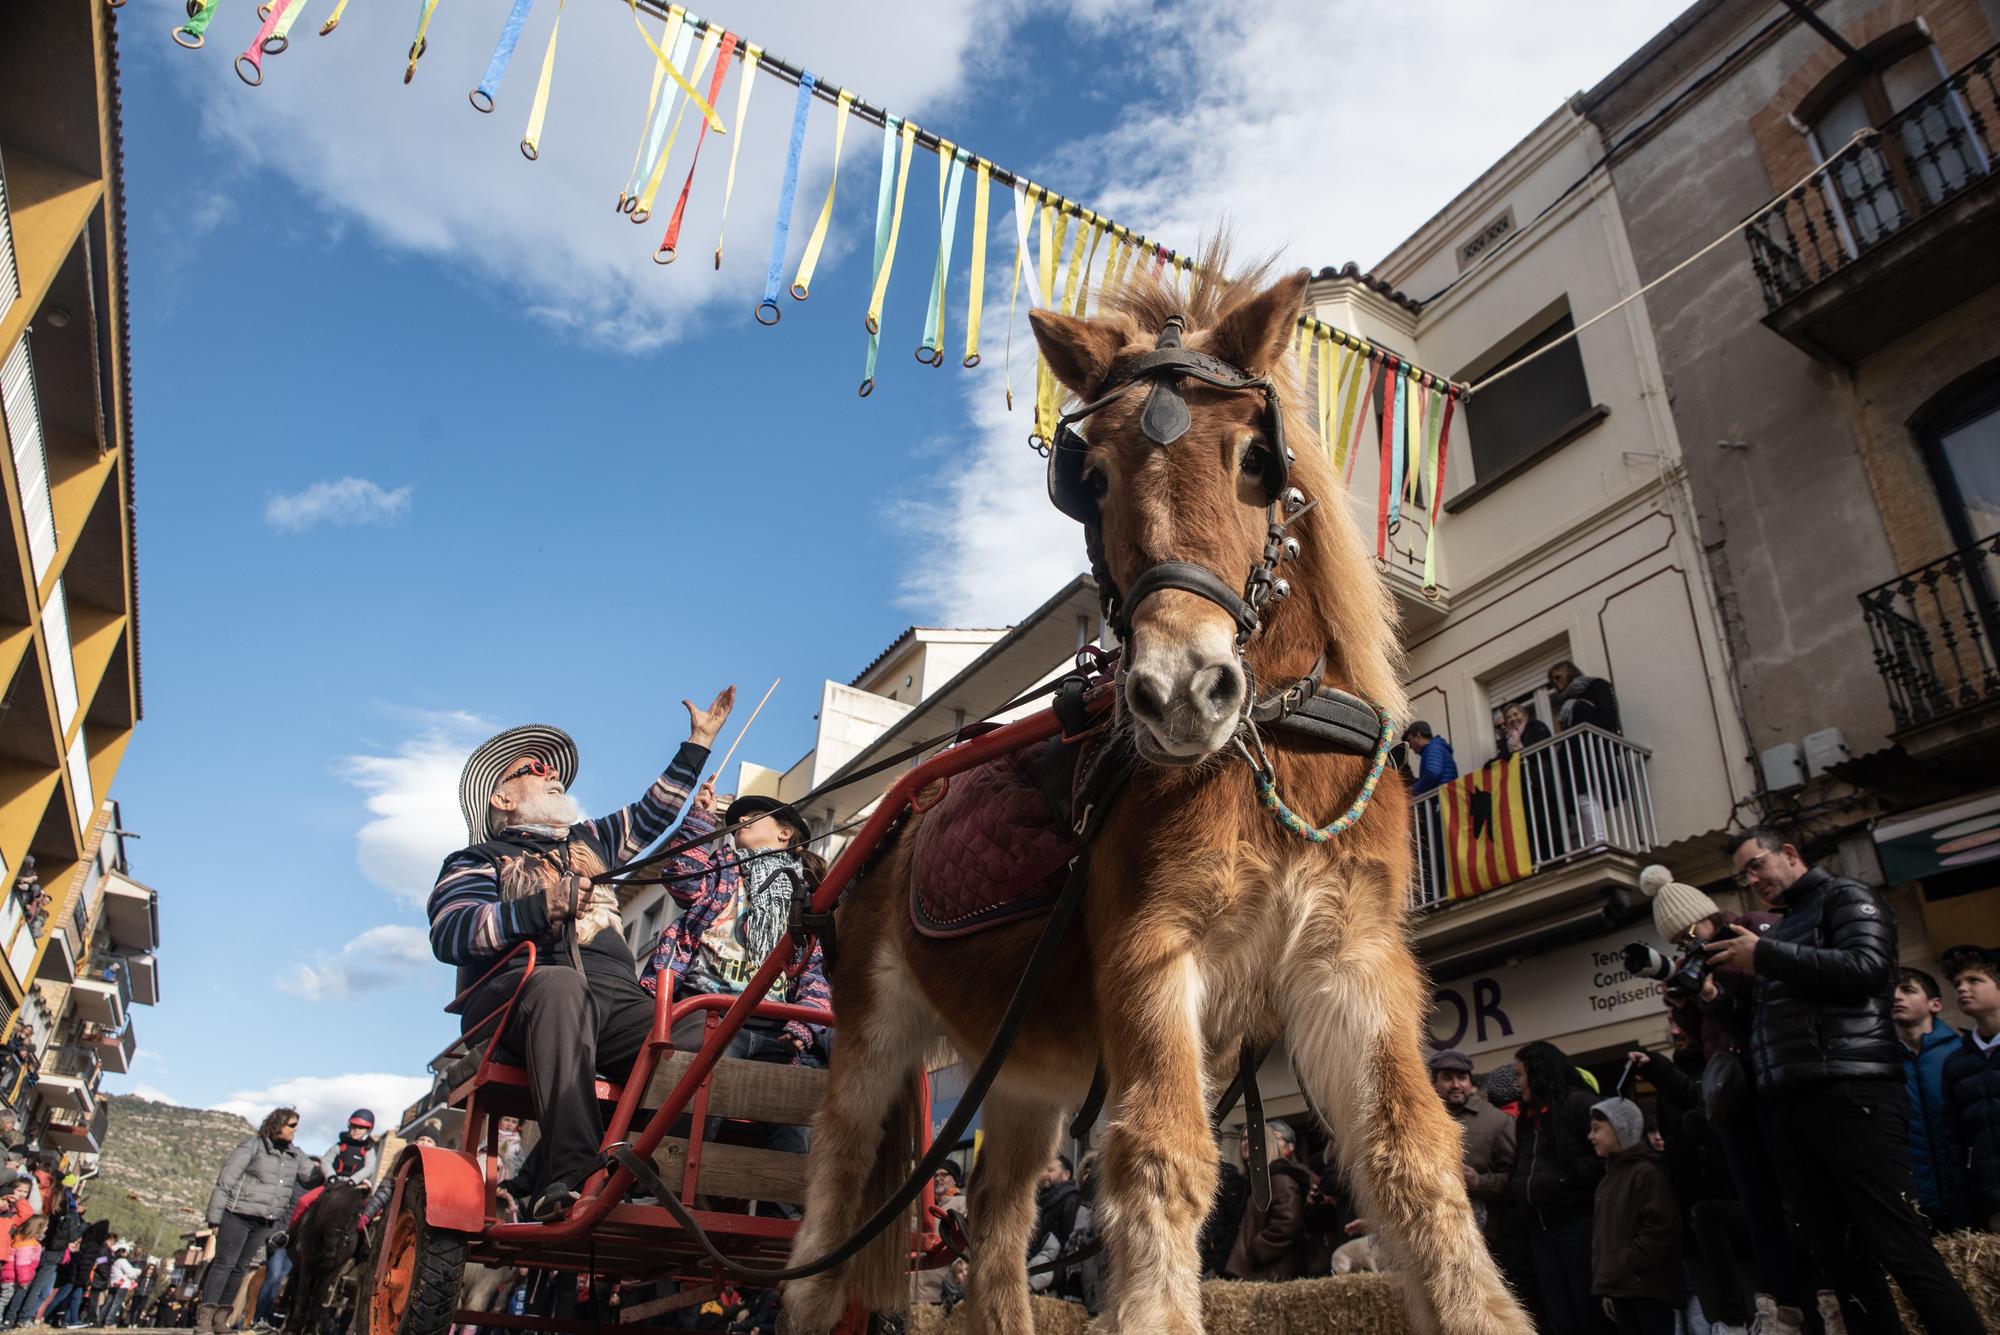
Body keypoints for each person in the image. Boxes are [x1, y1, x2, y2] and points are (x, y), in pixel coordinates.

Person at [428, 692, 732, 1221]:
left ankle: (655, 1171)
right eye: (536, 769)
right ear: (502, 797)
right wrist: (534, 908)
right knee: (560, 986)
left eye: (558, 773)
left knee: (701, 1030)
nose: (554, 776)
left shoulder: (588, 842)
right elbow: (452, 932)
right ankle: (571, 1174)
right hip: (521, 997)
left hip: (613, 995)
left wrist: (699, 741)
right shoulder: (476, 859)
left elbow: (653, 812)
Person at [1715, 828, 1981, 1334]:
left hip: (1852, 1091)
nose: (1751, 881)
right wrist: (1712, 998)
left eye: (1756, 865)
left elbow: (1867, 969)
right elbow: (1777, 1025)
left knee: (1901, 1248)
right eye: (1742, 876)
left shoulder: (1847, 897)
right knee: (1841, 1263)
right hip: (1795, 1103)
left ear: (1789, 854)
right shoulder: (1784, 927)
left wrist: (1765, 957)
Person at [643, 782, 832, 1069]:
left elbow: (813, 973)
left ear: (785, 833)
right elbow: (682, 881)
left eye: (754, 815)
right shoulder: (720, 875)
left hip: (774, 1029)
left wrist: (804, 1024)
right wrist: (700, 819)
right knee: (705, 1080)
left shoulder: (804, 899)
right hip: (707, 1015)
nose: (740, 821)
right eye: (736, 821)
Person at [1504, 1040, 1604, 1335]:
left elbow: (1605, 1156)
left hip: (1577, 1226)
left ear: (1538, 1073)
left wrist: (1566, 1179)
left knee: (1587, 1310)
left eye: (1520, 1075)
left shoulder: (1579, 1104)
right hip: (1541, 1231)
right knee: (1559, 1314)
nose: (1518, 1083)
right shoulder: (1527, 1118)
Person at [199, 1107, 316, 1335]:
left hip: (264, 1221)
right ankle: (204, 1321)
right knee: (224, 1264)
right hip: (238, 1214)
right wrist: (214, 1218)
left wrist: (339, 1173)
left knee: (241, 1268)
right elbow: (225, 1182)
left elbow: (312, 1177)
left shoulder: (296, 1155)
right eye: (292, 1125)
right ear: (277, 1124)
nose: (296, 1130)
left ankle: (220, 1321)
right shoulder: (252, 1147)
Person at [1586, 1098, 1680, 1335]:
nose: (1591, 1136)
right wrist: (1610, 1284)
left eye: (1597, 1128)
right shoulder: (1608, 1180)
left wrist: (1627, 1263)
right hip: (1622, 1288)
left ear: (1620, 1128)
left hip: (1646, 1288)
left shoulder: (1646, 1172)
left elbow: (1660, 1227)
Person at [1892, 966, 1967, 1231]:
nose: (1896, 996)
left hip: (1966, 1196)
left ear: (1935, 1004)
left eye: (1908, 990)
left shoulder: (1961, 1054)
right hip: (1916, 1204)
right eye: (1891, 991)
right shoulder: (1884, 1063)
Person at [1940, 944, 2000, 1233]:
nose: (1962, 989)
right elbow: (1955, 1139)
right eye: (1958, 983)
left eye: (1975, 980)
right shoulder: (1956, 1062)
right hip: (1990, 1202)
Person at [1224, 1120, 1309, 1283]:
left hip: (1271, 1275)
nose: (1247, 1143)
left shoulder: (1280, 1179)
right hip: (1256, 1274)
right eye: (1243, 1138)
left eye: (1253, 1138)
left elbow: (1288, 1223)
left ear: (1267, 1143)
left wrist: (1256, 1252)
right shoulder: (1255, 1182)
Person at [909, 1163, 967, 1305]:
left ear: (954, 1179)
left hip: (941, 1294)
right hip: (911, 1293)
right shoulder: (921, 1206)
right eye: (935, 1175)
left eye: (944, 1174)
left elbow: (968, 1242)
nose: (938, 1178)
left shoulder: (961, 1202)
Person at [1026, 1156, 1080, 1294]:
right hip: (1038, 1265)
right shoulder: (1041, 1200)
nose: (1045, 1174)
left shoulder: (1071, 1199)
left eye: (1050, 1170)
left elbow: (1069, 1240)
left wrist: (1058, 1274)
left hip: (1054, 1272)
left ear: (1066, 1174)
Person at [1548, 660, 1621, 735]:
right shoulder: (1563, 703)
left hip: (1599, 737)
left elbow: (1608, 717)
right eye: (1552, 680)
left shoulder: (1596, 684)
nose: (1554, 682)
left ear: (1568, 674)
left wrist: (1576, 704)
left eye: (1557, 677)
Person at [0, 1214, 42, 1325]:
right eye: (45, 1227)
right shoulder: (26, 1243)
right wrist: (24, 1281)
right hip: (12, 1277)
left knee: (6, 1299)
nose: (47, 1229)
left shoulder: (27, 1241)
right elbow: (22, 1265)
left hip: (12, 1276)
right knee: (5, 1299)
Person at [322, 1110, 378, 1183]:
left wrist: (354, 1179)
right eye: (354, 1126)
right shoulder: (340, 1145)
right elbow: (326, 1160)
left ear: (368, 1130)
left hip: (355, 1184)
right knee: (313, 1194)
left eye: (361, 1128)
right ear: (349, 1126)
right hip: (333, 1180)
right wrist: (330, 1175)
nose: (356, 1130)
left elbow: (369, 1168)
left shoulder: (368, 1149)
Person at [1405, 721, 1457, 795]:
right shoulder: (1435, 747)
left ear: (1418, 735)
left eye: (1410, 740)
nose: (1410, 746)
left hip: (1442, 799)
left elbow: (1432, 773)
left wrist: (1413, 789)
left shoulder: (1433, 748)